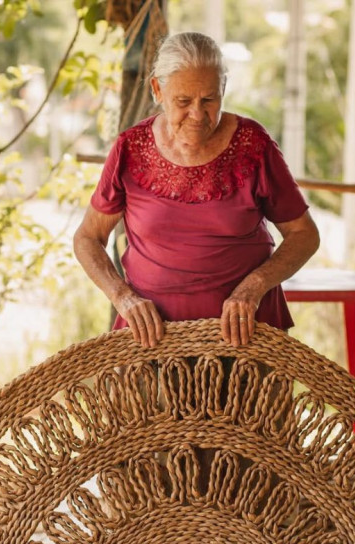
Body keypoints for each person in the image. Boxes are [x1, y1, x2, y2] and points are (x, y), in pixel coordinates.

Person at [73, 31, 320, 348]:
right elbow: (87, 238)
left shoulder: (254, 145)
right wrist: (122, 296)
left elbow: (304, 234)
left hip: (248, 338)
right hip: (151, 341)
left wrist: (253, 287)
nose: (198, 115)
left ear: (224, 90)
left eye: (209, 100)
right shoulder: (129, 148)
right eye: (183, 101)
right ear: (157, 90)